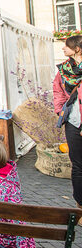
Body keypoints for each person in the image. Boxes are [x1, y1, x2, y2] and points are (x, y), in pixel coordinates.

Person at [53, 35, 82, 214]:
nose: (63, 48)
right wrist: (60, 110)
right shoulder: (64, 69)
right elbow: (57, 89)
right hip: (73, 122)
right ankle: (80, 207)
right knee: (78, 165)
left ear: (77, 49)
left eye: (67, 46)